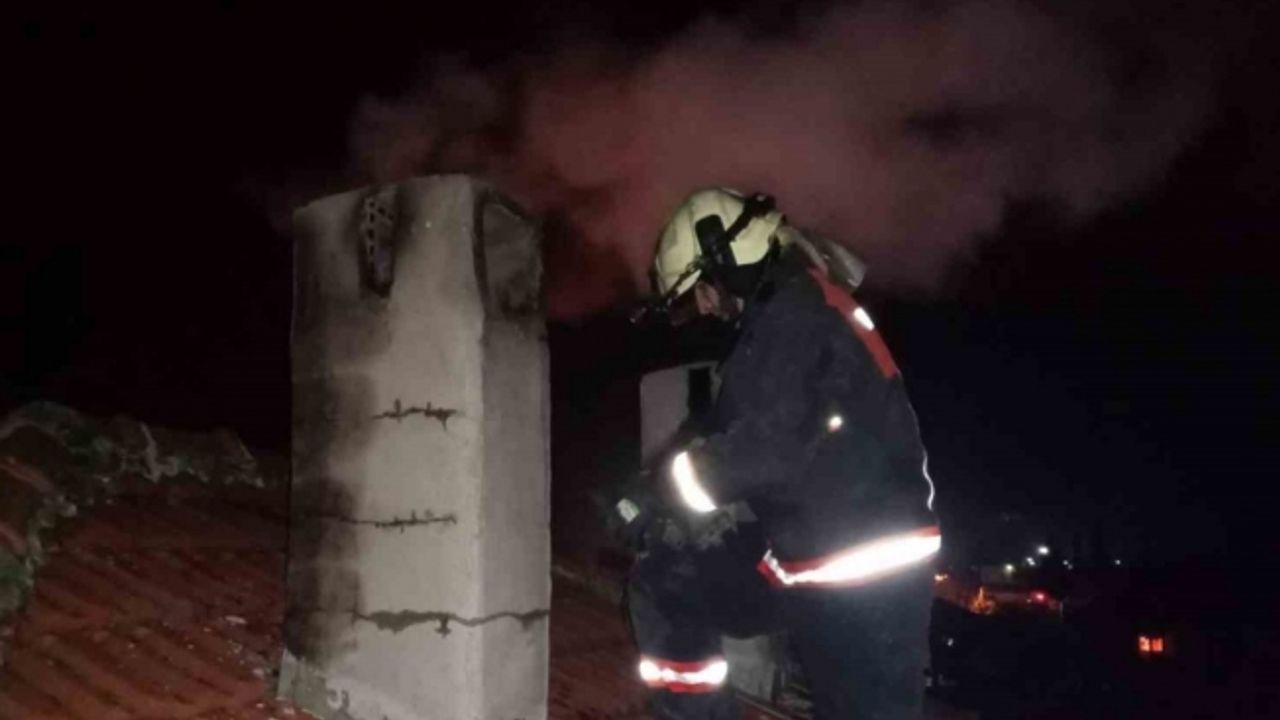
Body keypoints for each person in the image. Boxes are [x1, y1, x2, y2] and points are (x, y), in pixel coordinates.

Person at [617, 188, 941, 719]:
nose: (703, 307)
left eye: (701, 290)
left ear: (725, 259)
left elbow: (761, 452)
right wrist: (650, 485)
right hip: (806, 554)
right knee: (666, 586)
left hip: (868, 569)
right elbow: (720, 431)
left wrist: (659, 492)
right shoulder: (775, 328)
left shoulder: (799, 315)